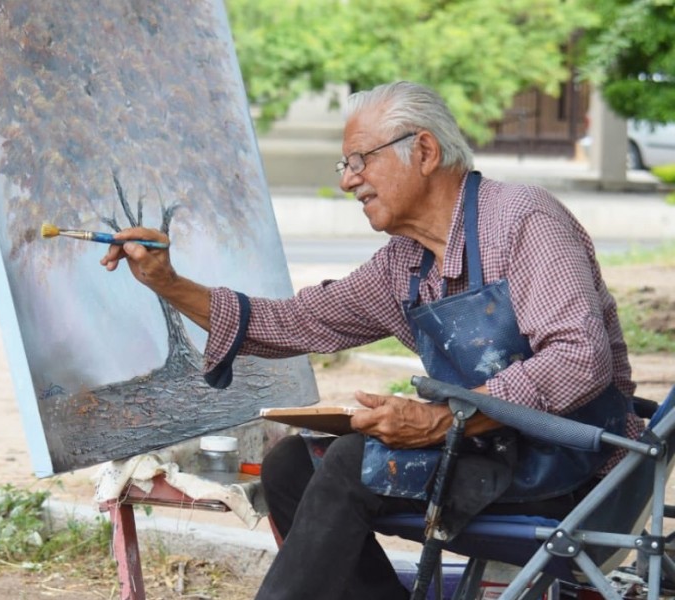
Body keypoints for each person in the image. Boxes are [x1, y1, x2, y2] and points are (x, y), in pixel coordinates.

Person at [101, 81, 644, 599]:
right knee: (291, 465)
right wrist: (166, 282)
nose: (347, 181)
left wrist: (446, 418)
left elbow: (578, 359)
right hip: (485, 455)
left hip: (577, 468)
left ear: (424, 151)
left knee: (351, 461)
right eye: (345, 165)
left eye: (360, 161)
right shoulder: (404, 263)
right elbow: (290, 322)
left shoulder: (524, 220)